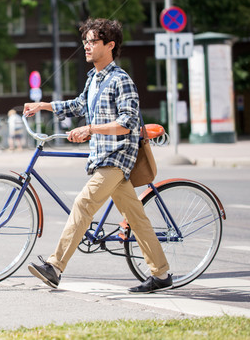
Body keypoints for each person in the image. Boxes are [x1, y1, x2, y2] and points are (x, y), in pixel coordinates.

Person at [23, 18, 171, 294]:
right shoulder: (94, 78)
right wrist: (43, 105)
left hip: (116, 158)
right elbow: (78, 105)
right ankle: (161, 273)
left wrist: (91, 129)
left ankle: (54, 266)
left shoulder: (121, 80)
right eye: (85, 41)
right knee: (137, 219)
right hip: (101, 158)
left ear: (110, 45)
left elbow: (128, 122)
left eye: (93, 41)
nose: (87, 47)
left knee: (83, 204)